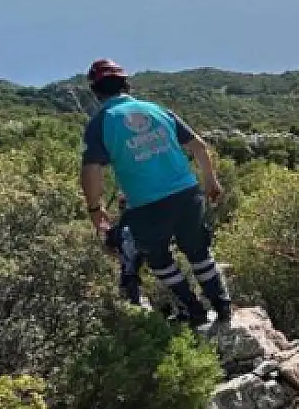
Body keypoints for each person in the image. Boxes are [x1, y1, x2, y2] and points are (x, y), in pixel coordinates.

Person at [79, 59, 232, 324]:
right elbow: (198, 145)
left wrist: (95, 208)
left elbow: (92, 170)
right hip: (187, 192)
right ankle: (222, 307)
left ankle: (194, 312)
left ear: (96, 91)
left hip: (147, 205)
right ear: (126, 84)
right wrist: (211, 181)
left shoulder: (102, 121)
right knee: (198, 251)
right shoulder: (156, 110)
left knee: (160, 260)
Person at [102, 193, 144, 306]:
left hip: (144, 263)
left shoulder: (142, 224)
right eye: (121, 205)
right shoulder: (117, 229)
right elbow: (107, 247)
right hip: (129, 269)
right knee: (129, 288)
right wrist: (120, 257)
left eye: (125, 204)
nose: (124, 208)